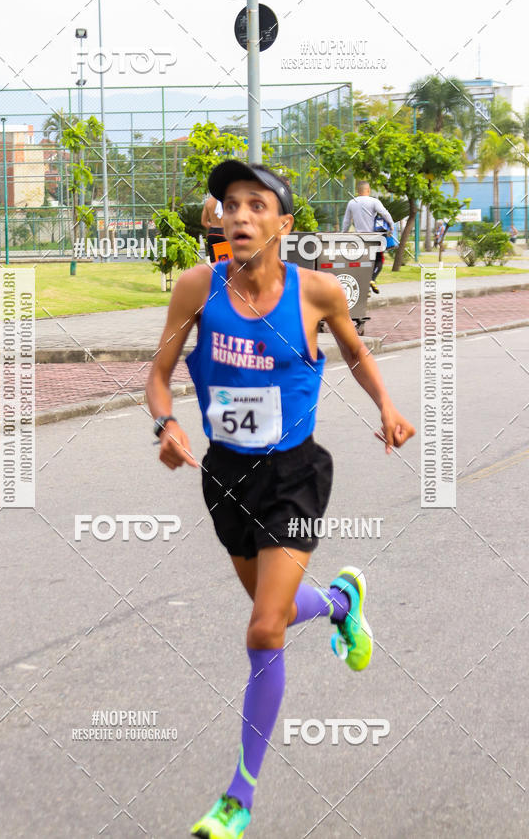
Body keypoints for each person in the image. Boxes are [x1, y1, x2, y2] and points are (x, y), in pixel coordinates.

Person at [146, 161, 415, 839]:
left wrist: (386, 404)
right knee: (273, 609)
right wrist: (167, 424)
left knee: (264, 630)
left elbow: (353, 353)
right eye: (229, 204)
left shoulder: (319, 292)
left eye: (256, 205)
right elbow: (156, 376)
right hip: (225, 477)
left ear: (283, 225)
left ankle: (238, 797)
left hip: (295, 474)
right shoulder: (195, 290)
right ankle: (340, 603)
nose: (238, 215)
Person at [342, 181, 394, 294]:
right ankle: (372, 279)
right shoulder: (374, 201)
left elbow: (346, 221)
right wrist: (391, 225)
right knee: (379, 260)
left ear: (357, 191)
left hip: (359, 238)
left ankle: (365, 289)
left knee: (363, 262)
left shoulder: (352, 202)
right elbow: (385, 213)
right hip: (374, 237)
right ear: (368, 190)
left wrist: (343, 233)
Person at [201, 194, 229, 262]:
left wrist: (213, 228)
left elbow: (204, 222)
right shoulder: (229, 200)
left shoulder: (209, 201)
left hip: (212, 234)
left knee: (214, 263)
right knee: (227, 263)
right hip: (224, 233)